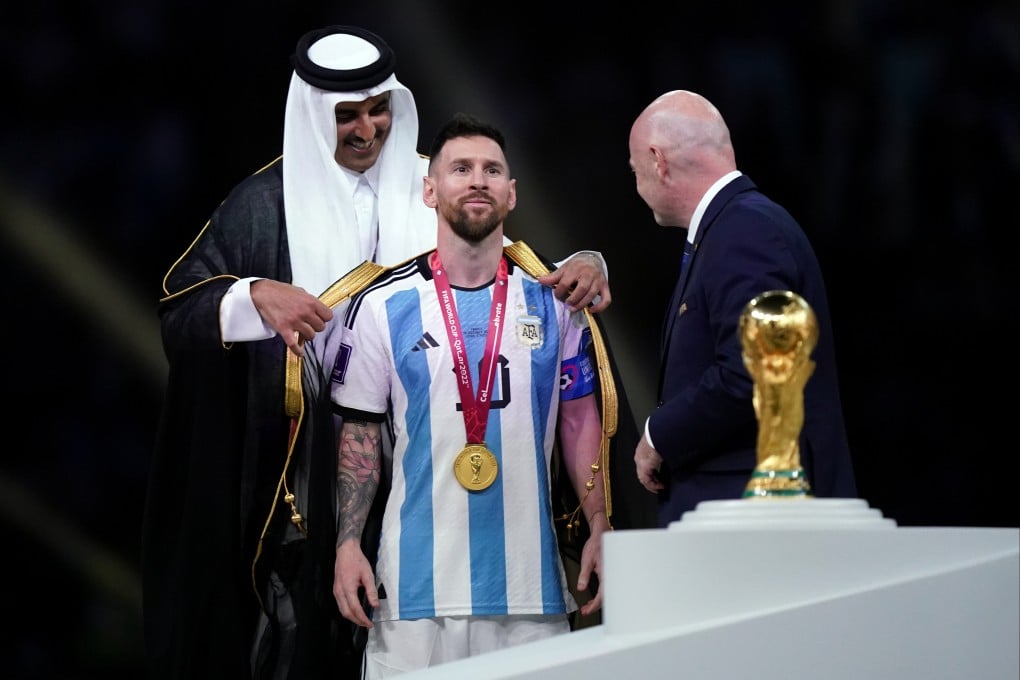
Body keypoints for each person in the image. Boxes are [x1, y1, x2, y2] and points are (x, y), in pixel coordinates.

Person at [141, 26, 613, 680]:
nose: (367, 129)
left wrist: (584, 262)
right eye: (346, 116)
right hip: (313, 492)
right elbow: (180, 310)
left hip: (444, 489)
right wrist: (252, 296)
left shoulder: (438, 181)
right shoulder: (262, 209)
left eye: (377, 109)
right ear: (313, 113)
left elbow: (504, 280)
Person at [330, 113, 611, 677]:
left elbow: (580, 421)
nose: (477, 180)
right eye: (460, 169)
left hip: (532, 593)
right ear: (431, 191)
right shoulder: (381, 307)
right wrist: (347, 544)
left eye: (491, 170)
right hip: (410, 598)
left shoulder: (558, 303)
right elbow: (359, 435)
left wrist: (600, 521)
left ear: (511, 194)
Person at [627, 89, 857, 527]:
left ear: (658, 160)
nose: (637, 183)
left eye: (634, 169)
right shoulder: (735, 228)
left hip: (757, 518)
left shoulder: (744, 230)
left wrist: (659, 434)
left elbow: (753, 371)